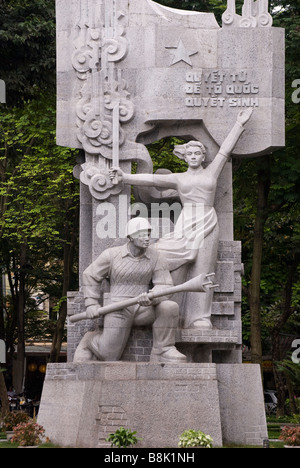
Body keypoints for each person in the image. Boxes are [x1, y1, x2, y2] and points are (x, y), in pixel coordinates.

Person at [109, 108, 253, 328]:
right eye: (190, 154)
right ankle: (167, 311)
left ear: (203, 156)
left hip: (208, 220)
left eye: (198, 154)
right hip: (186, 222)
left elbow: (225, 150)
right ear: (185, 157)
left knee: (204, 269)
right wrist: (125, 176)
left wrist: (239, 124)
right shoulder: (178, 178)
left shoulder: (211, 172)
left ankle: (200, 318)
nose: (194, 157)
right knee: (166, 258)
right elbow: (148, 179)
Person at [74, 218, 187, 363]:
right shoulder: (112, 255)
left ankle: (163, 350)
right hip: (118, 307)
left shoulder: (156, 257)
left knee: (169, 307)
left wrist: (153, 296)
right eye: (142, 235)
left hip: (144, 307)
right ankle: (91, 339)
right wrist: (91, 304)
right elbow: (90, 275)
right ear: (131, 237)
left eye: (148, 234)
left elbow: (165, 285)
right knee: (109, 355)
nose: (147, 238)